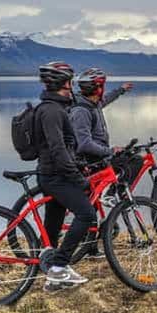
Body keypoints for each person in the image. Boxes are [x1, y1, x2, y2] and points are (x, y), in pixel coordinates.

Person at [35, 61, 96, 291]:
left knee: (53, 225)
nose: (73, 86)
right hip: (56, 176)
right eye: (70, 81)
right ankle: (60, 266)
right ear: (64, 83)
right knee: (87, 213)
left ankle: (53, 278)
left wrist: (78, 166)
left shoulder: (54, 108)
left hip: (52, 175)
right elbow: (58, 150)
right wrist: (79, 180)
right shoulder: (51, 111)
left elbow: (66, 148)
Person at [69, 67, 139, 184]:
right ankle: (120, 197)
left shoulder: (93, 103)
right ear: (98, 88)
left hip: (98, 156)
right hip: (92, 161)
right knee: (135, 160)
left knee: (129, 155)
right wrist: (110, 151)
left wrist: (121, 90)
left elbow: (106, 99)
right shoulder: (82, 111)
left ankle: (116, 196)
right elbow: (84, 145)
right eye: (102, 86)